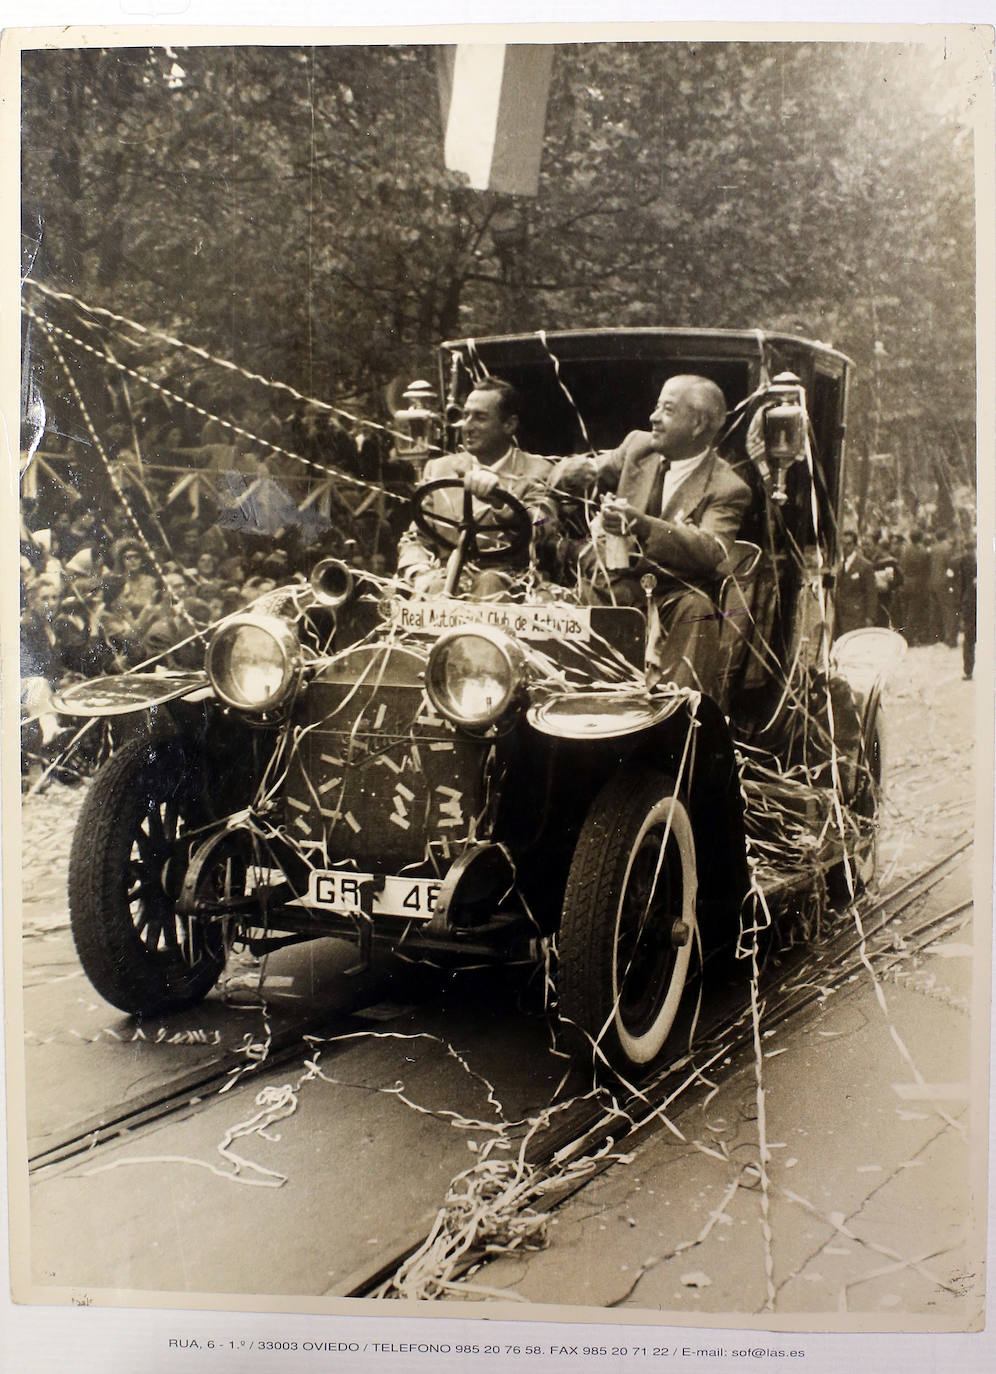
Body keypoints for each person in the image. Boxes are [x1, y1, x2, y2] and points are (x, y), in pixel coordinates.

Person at [553, 374, 751, 696]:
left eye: (667, 410)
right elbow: (583, 472)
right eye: (656, 407)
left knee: (696, 608)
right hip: (614, 592)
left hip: (670, 600)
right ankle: (571, 697)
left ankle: (678, 718)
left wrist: (642, 525)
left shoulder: (727, 487)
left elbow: (711, 550)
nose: (653, 417)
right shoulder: (638, 447)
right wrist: (573, 473)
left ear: (698, 424)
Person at [396, 377, 557, 594]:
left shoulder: (539, 471)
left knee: (490, 583)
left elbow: (542, 525)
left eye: (480, 418)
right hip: (443, 589)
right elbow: (415, 538)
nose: (467, 427)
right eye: (465, 416)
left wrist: (501, 505)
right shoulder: (438, 469)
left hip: (513, 593)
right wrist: (420, 572)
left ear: (509, 424)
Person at [834, 529, 877, 636]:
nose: (845, 548)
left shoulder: (865, 566)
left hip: (857, 616)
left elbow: (871, 593)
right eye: (843, 544)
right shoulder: (840, 565)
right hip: (840, 616)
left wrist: (870, 617)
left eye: (848, 544)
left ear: (854, 545)